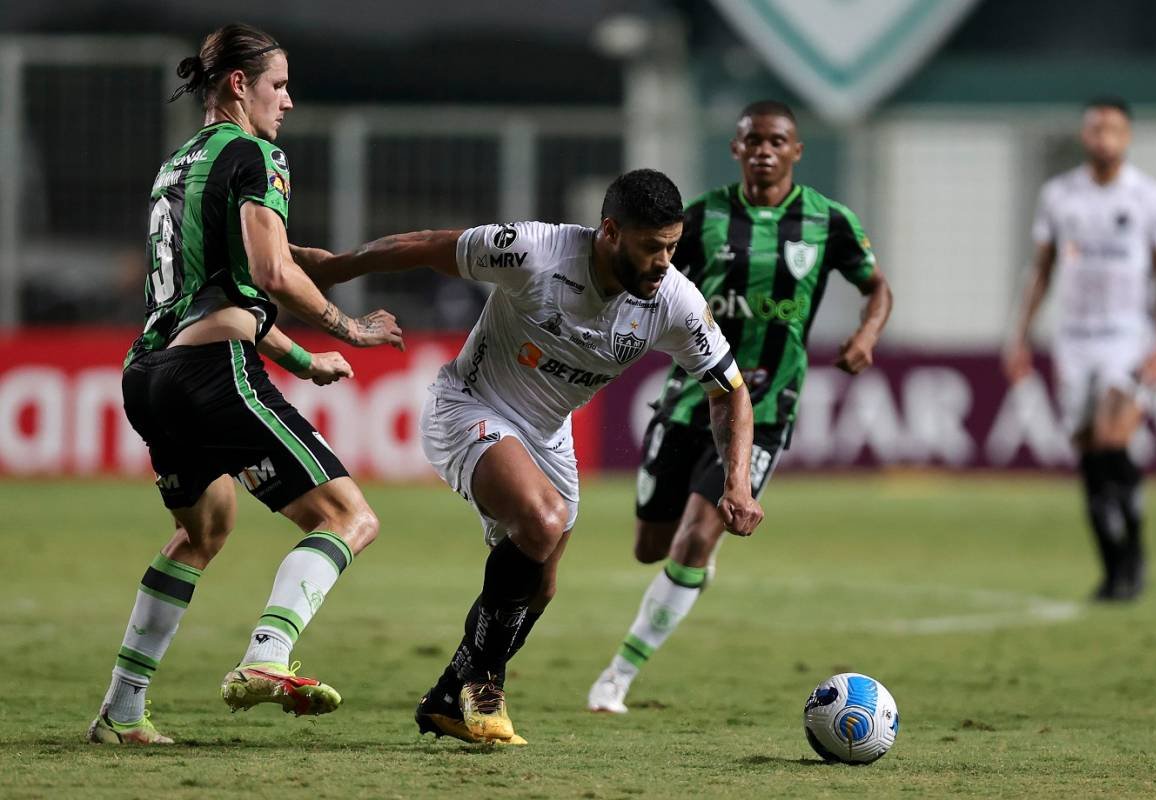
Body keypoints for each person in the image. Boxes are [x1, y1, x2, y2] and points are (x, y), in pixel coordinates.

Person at [309, 168, 764, 744]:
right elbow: (423, 247)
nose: (663, 262)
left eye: (672, 248)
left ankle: (448, 696)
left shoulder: (674, 300)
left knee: (540, 587)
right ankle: (484, 684)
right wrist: (329, 270)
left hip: (548, 434)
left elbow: (730, 391)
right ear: (610, 232)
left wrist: (738, 484)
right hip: (468, 404)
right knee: (542, 521)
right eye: (652, 248)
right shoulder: (535, 250)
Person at [88, 23, 405, 745]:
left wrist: (301, 358)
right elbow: (268, 276)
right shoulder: (256, 153)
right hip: (211, 372)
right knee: (348, 518)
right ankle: (267, 658)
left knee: (202, 531)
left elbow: (229, 286)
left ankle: (122, 709)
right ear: (239, 84)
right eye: (279, 85)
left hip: (148, 373)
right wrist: (346, 329)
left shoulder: (177, 165)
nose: (287, 102)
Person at [587, 100, 893, 713]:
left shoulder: (827, 221)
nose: (764, 150)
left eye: (777, 141)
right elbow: (651, 280)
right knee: (651, 546)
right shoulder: (700, 218)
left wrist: (866, 334)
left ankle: (617, 677)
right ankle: (697, 557)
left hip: (767, 407)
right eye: (752, 140)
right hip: (687, 401)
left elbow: (876, 286)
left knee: (695, 540)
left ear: (796, 151)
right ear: (735, 149)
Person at [1004, 97, 1156, 602]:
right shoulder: (1060, 196)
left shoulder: (1150, 198)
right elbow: (1041, 269)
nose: (1103, 136)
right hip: (1074, 338)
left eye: (1112, 128)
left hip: (1127, 335)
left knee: (1111, 434)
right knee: (1087, 447)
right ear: (1085, 137)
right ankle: (1113, 564)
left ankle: (1135, 552)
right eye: (1095, 128)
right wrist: (1019, 335)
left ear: (1126, 137)